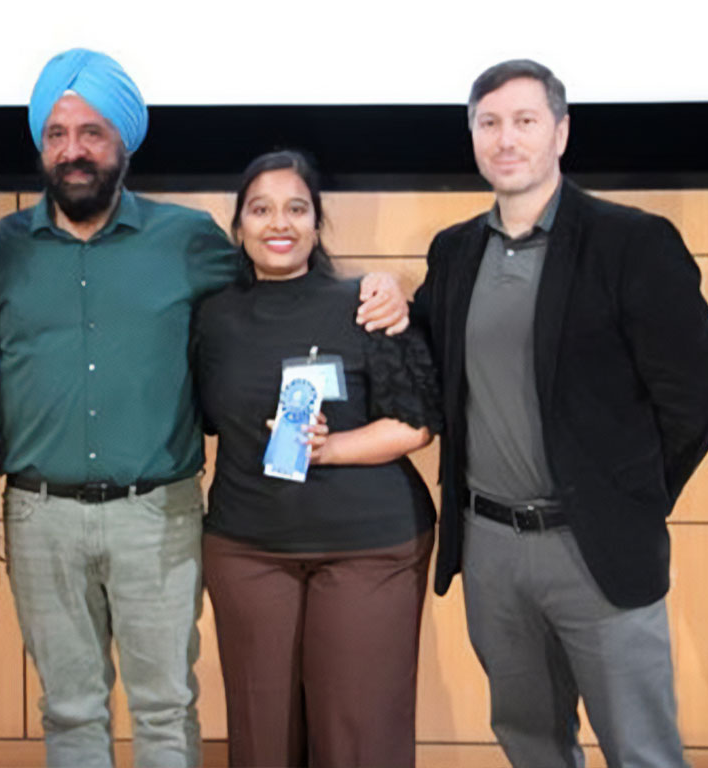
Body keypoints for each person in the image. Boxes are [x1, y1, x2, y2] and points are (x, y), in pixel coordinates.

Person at [0, 48, 408, 768]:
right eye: (57, 134)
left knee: (165, 704)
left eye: (93, 132)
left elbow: (282, 278)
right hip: (38, 516)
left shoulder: (188, 241)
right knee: (69, 708)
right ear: (40, 144)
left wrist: (381, 284)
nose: (74, 150)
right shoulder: (0, 250)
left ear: (125, 143)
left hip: (159, 514)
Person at [391, 59, 708, 767]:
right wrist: (386, 289)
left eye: (526, 121)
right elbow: (435, 371)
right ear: (474, 136)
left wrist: (631, 499)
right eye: (490, 123)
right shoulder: (455, 252)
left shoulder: (632, 241)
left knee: (643, 749)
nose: (507, 139)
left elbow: (694, 397)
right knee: (530, 742)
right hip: (492, 548)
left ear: (561, 134)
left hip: (596, 549)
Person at [192, 150, 443, 768]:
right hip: (247, 548)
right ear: (239, 226)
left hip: (369, 546)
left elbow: (415, 424)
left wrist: (330, 449)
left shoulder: (366, 301)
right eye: (261, 209)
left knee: (356, 737)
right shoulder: (212, 318)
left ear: (317, 221)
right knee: (262, 737)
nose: (279, 223)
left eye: (296, 208)